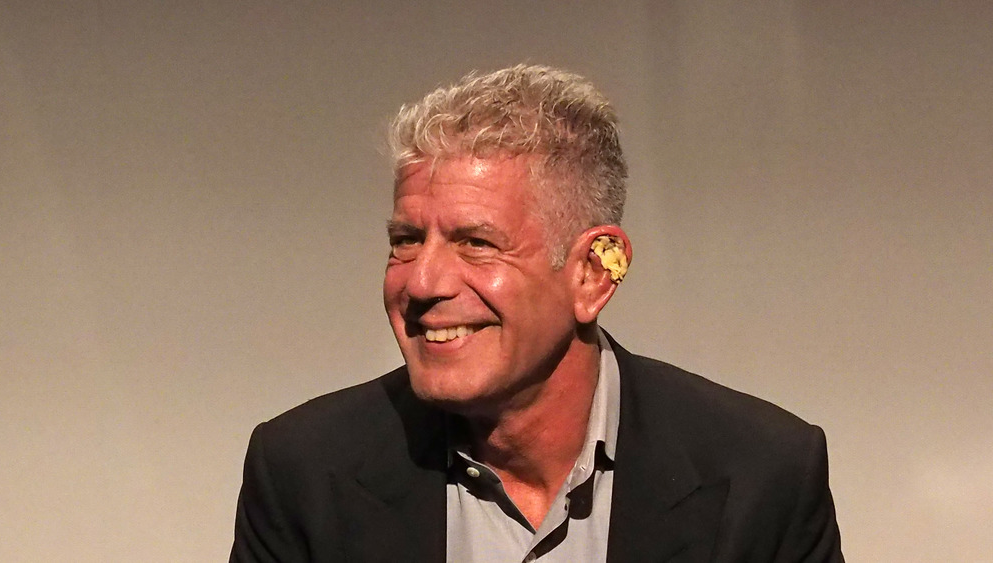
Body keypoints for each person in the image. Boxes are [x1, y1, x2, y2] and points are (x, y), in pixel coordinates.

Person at [230, 64, 844, 562]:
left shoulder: (762, 476)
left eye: (476, 242)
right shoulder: (304, 473)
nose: (421, 282)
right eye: (406, 240)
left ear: (594, 274)